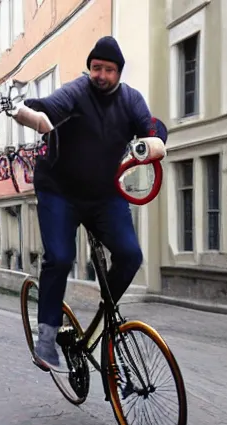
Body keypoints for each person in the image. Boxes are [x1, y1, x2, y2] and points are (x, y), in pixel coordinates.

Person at [11, 36, 167, 373]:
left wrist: (156, 142)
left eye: (108, 70)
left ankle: (105, 307)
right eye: (96, 67)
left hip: (103, 195)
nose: (101, 75)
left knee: (130, 255)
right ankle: (47, 336)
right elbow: (46, 106)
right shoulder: (76, 91)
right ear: (90, 68)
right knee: (61, 258)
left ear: (119, 73)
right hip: (59, 191)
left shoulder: (131, 101)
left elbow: (152, 127)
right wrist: (25, 111)